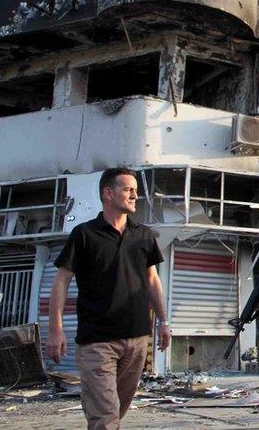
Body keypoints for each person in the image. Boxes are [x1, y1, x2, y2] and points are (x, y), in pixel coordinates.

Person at [46, 168, 171, 430]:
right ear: (108, 193)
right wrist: (56, 330)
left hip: (136, 339)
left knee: (117, 409)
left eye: (135, 190)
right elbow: (61, 281)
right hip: (96, 341)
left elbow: (152, 280)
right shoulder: (84, 235)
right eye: (128, 189)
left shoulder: (144, 235)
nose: (135, 195)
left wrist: (164, 321)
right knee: (105, 415)